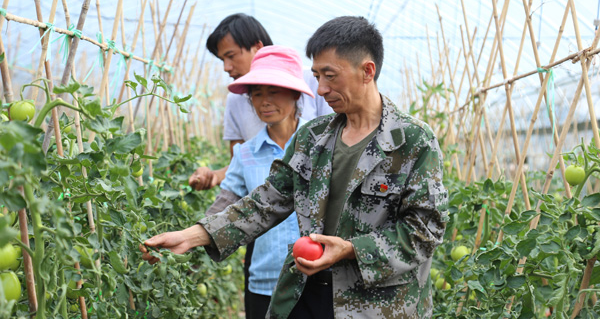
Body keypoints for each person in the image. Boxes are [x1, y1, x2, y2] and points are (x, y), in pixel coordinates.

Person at [141, 16, 449, 318]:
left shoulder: (412, 142)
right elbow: (266, 202)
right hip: (307, 294)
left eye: (330, 76)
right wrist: (192, 236)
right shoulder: (313, 138)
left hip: (378, 305)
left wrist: (350, 249)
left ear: (367, 71)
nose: (321, 88)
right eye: (316, 76)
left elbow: (424, 231)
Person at [205, 45, 313, 319]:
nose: (264, 101)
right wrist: (188, 240)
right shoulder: (246, 153)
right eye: (257, 93)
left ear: (295, 93)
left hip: (316, 279)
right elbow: (225, 205)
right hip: (265, 281)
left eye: (273, 91)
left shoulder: (322, 145)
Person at [189, 13, 331, 190]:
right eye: (222, 60)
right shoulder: (235, 98)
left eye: (231, 56)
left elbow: (334, 146)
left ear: (257, 48)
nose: (226, 67)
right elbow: (241, 165)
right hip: (263, 201)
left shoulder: (311, 80)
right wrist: (214, 175)